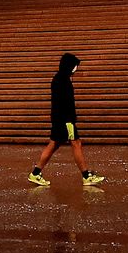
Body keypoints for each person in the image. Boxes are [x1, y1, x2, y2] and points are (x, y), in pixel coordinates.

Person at [28, 53, 103, 187]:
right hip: (65, 120)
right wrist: (69, 120)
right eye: (75, 66)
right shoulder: (62, 80)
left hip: (60, 119)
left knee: (54, 145)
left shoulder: (59, 78)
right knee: (76, 144)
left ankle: (35, 173)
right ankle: (86, 176)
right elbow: (64, 102)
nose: (76, 69)